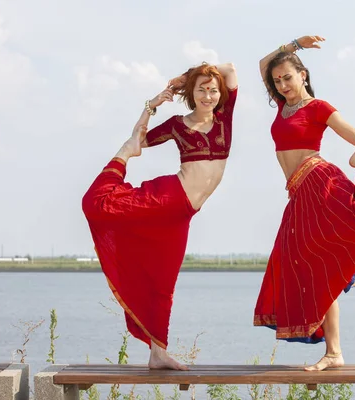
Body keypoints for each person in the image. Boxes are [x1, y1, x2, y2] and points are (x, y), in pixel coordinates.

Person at [253, 35, 355, 371]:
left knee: (322, 264)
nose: (283, 84)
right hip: (298, 193)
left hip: (318, 184)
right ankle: (334, 352)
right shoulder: (283, 105)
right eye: (278, 80)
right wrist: (295, 43)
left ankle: (334, 351)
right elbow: (262, 65)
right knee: (307, 268)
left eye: (289, 77)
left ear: (304, 76)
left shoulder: (318, 107)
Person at [82, 62, 238, 370]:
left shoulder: (224, 118)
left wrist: (189, 74)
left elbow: (230, 69)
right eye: (201, 90)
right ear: (192, 95)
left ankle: (158, 352)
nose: (208, 96)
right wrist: (150, 107)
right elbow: (140, 139)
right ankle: (119, 159)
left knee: (163, 282)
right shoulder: (178, 124)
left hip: (182, 216)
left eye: (213, 90)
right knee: (98, 203)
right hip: (169, 196)